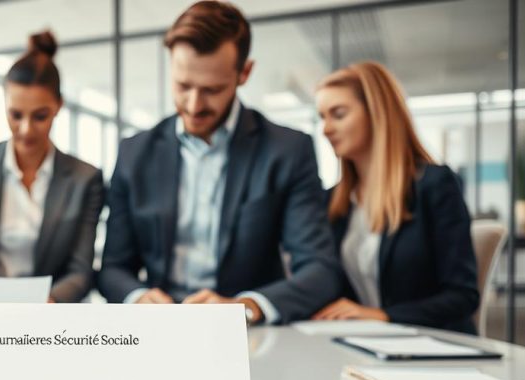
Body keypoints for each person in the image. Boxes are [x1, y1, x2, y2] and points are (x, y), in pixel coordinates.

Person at [97, 0, 341, 324]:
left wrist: (246, 307)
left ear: (244, 73)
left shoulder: (287, 151)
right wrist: (138, 297)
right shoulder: (134, 153)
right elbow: (113, 268)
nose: (194, 105)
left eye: (212, 90)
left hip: (248, 332)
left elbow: (320, 270)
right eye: (183, 86)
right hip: (161, 326)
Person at [312, 61, 479, 333]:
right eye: (322, 117)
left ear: (377, 113)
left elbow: (463, 296)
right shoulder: (335, 202)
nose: (326, 129)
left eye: (338, 115)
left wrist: (382, 315)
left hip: (433, 343)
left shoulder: (434, 186)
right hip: (364, 342)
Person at [0, 32, 104, 303]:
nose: (26, 129)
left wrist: (48, 302)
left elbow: (80, 271)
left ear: (58, 106)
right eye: (15, 115)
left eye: (40, 116)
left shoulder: (85, 179)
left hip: (49, 312)